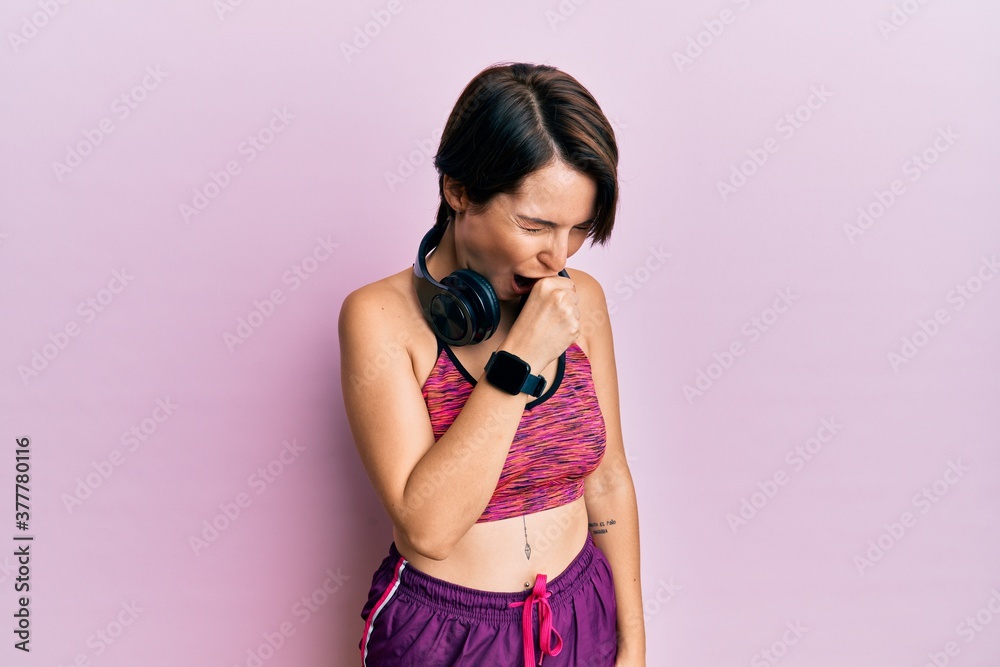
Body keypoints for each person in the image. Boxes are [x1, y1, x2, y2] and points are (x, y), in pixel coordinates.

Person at [339, 61, 645, 667]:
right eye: (534, 225)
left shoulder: (579, 300)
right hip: (449, 634)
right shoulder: (379, 317)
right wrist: (521, 358)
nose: (557, 257)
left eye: (577, 229)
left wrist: (632, 642)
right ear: (458, 190)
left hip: (583, 611)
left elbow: (608, 479)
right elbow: (428, 529)